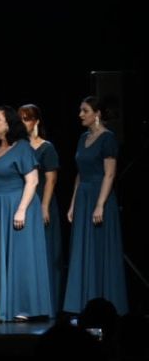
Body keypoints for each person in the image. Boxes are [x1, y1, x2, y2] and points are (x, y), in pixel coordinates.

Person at [0, 106, 50, 319]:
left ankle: (23, 307)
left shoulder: (22, 148)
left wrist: (21, 210)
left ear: (8, 123)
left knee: (19, 257)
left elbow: (32, 181)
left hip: (15, 206)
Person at [63, 97, 127, 314]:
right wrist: (73, 204)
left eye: (85, 110)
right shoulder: (83, 138)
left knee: (99, 249)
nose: (80, 115)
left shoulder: (108, 138)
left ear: (97, 113)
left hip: (100, 196)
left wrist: (100, 205)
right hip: (83, 197)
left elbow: (110, 174)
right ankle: (82, 303)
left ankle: (104, 304)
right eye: (81, 110)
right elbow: (79, 174)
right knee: (82, 249)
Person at [19, 104, 65, 314]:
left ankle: (48, 305)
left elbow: (51, 180)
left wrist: (44, 206)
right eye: (20, 119)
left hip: (41, 203)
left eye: (27, 118)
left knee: (45, 253)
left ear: (36, 121)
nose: (23, 122)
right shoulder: (19, 147)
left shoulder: (46, 148)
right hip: (23, 203)